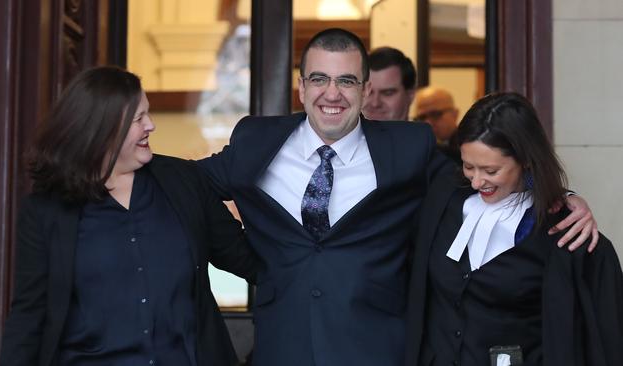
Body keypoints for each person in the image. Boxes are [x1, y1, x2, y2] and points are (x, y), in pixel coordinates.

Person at [198, 29, 598, 366]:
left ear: (365, 89)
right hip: (283, 349)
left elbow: (478, 181)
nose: (331, 94)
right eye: (319, 79)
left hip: (379, 351)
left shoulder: (409, 147)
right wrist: (249, 260)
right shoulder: (255, 140)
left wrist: (558, 194)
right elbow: (189, 187)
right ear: (301, 87)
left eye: (346, 81)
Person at [0, 66, 258, 366]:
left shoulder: (184, 182)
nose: (151, 126)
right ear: (103, 128)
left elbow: (249, 259)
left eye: (147, 114)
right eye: (139, 119)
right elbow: (29, 315)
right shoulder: (46, 211)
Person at [406, 92, 623, 366]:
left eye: (491, 170)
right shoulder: (443, 199)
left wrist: (566, 196)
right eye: (468, 166)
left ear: (526, 160)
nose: (476, 181)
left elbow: (600, 341)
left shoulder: (565, 234)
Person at [362, 46, 417, 121]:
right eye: (368, 92)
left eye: (387, 93)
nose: (375, 103)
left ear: (410, 95)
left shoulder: (426, 132)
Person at [413, 86, 461, 161]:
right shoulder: (416, 150)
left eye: (435, 114)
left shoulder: (470, 146)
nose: (428, 123)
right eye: (422, 117)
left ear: (455, 114)